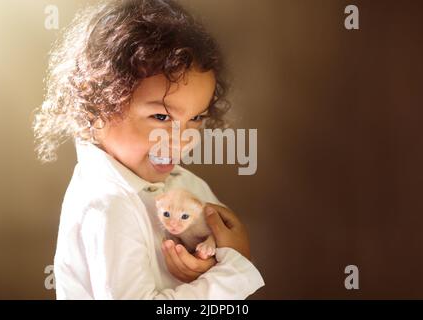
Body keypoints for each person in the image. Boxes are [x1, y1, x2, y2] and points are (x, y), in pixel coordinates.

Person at [33, 0, 265, 299]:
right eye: (161, 117)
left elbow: (229, 262)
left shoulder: (186, 185)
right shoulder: (107, 204)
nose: (181, 140)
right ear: (98, 108)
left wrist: (218, 261)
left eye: (195, 118)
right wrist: (232, 271)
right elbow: (235, 274)